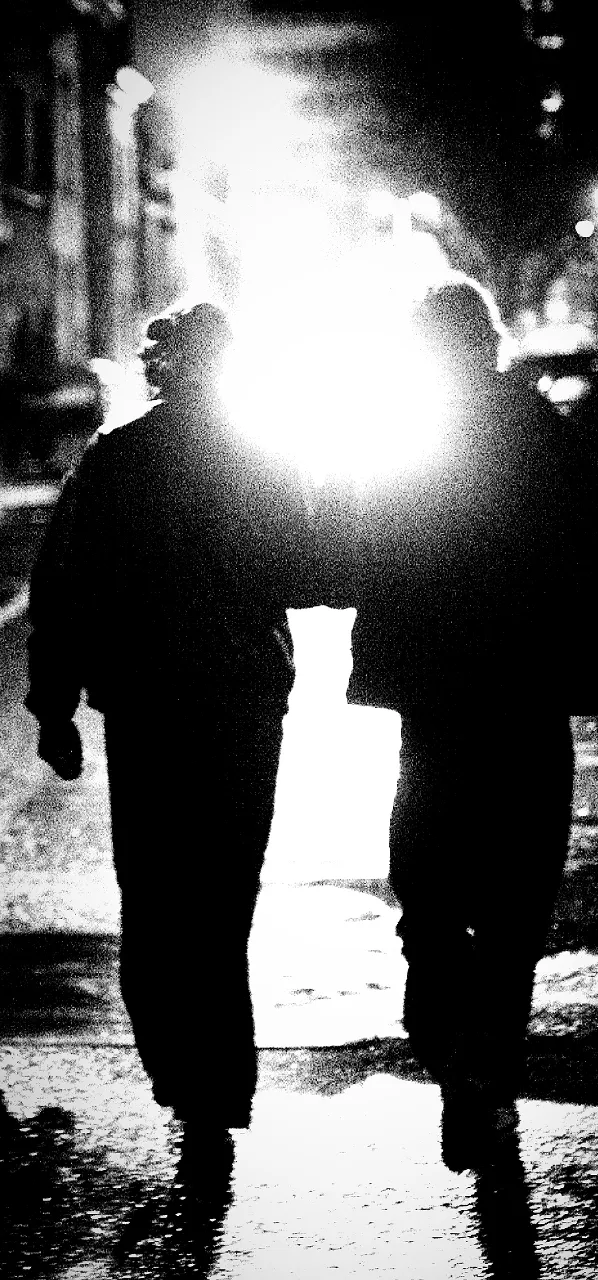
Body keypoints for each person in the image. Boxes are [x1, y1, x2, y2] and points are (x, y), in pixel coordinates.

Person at [335, 279, 598, 1164]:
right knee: (516, 908)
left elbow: (354, 552)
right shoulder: (546, 437)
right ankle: (487, 1071)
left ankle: (440, 1018)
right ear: (493, 343)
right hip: (526, 704)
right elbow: (597, 559)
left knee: (430, 884)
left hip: (435, 704)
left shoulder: (403, 440)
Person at [24, 301, 312, 1138]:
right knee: (224, 901)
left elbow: (65, 593)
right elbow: (308, 561)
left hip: (150, 708)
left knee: (154, 898)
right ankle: (219, 1082)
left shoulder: (114, 463)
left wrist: (56, 707)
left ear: (161, 370)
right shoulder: (261, 458)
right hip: (242, 702)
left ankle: (181, 1068)